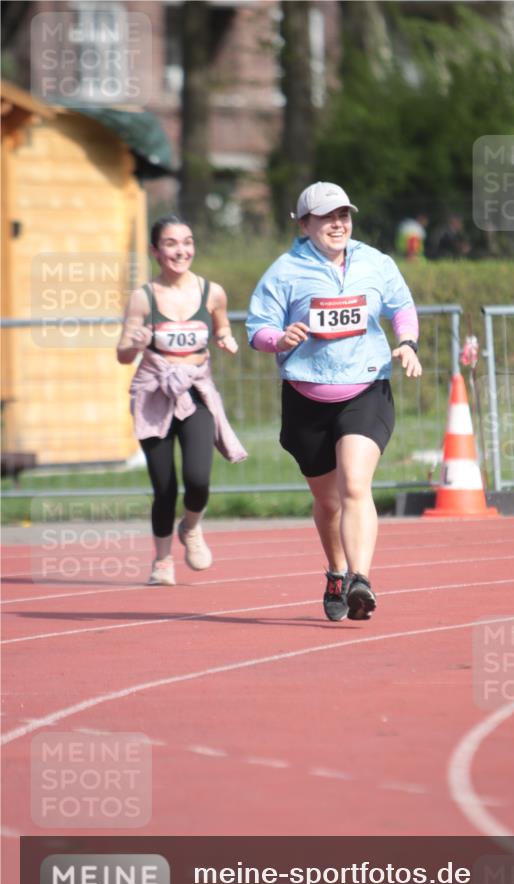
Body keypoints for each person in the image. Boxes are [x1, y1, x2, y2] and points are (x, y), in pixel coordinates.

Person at [246, 181, 422, 621]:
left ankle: (361, 578)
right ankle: (337, 572)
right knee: (329, 502)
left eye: (344, 215)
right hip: (306, 396)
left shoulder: (375, 263)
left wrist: (409, 342)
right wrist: (278, 338)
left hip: (365, 388)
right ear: (304, 223)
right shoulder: (284, 272)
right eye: (327, 217)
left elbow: (401, 305)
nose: (338, 224)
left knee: (355, 485)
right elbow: (257, 327)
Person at [117, 215, 247, 586]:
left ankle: (190, 527)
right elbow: (123, 355)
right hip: (153, 393)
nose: (181, 250)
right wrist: (135, 343)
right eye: (172, 244)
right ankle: (161, 561)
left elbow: (220, 323)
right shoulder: (142, 298)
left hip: (195, 390)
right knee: (164, 486)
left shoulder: (212, 292)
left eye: (187, 242)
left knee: (198, 478)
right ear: (156, 251)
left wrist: (225, 338)